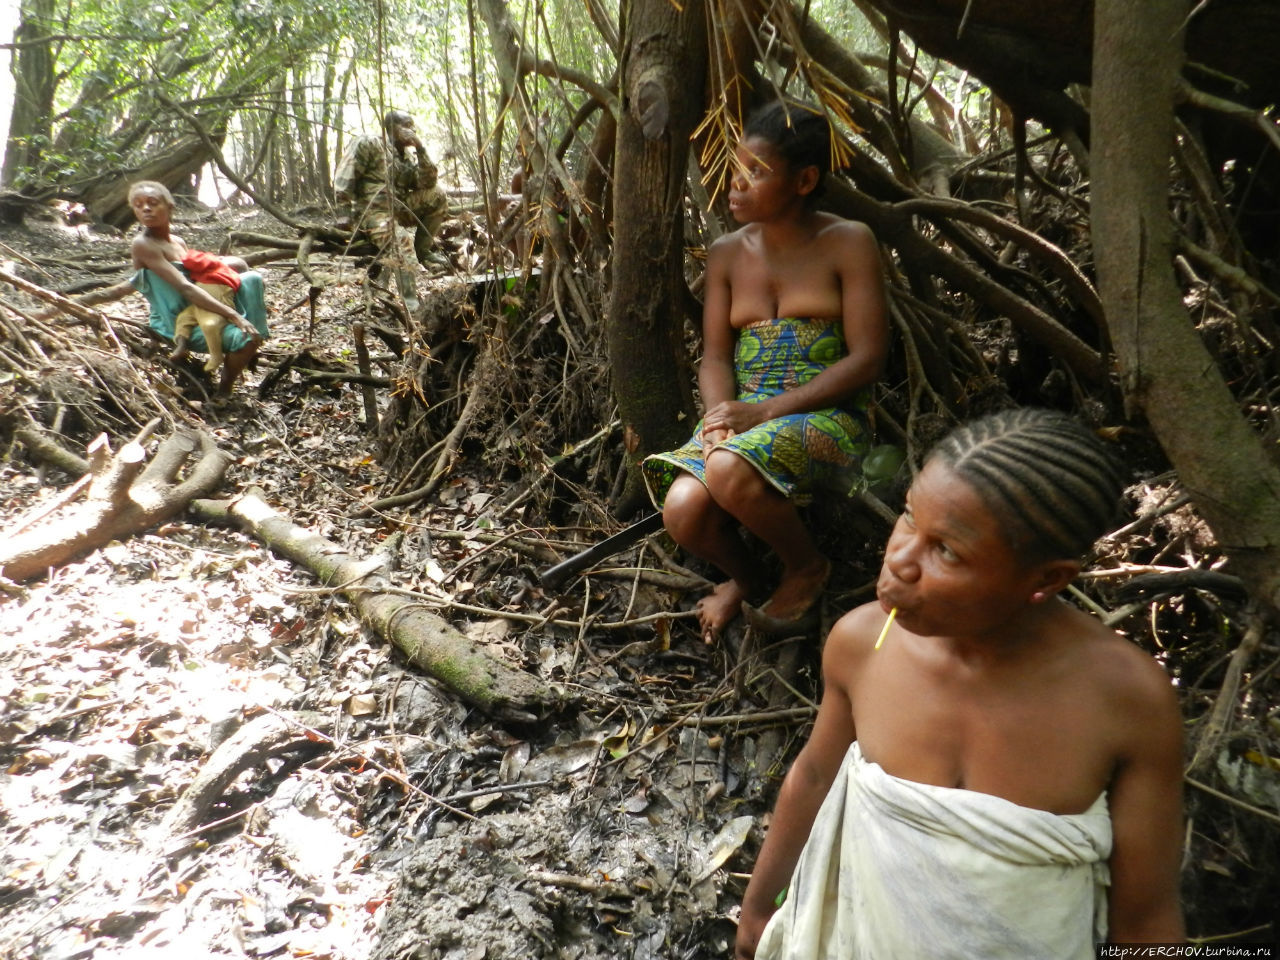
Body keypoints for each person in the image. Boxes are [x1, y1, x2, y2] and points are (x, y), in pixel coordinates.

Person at [735, 409, 1185, 960]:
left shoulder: (1126, 701)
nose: (899, 560)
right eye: (907, 517)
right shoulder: (863, 645)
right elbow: (814, 776)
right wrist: (759, 909)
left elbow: (1145, 919)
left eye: (946, 550)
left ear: (1046, 580)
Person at [642, 101, 889, 643]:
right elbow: (715, 357)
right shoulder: (727, 254)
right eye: (736, 168)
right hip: (743, 420)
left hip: (829, 416)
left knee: (729, 471)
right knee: (681, 512)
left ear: (804, 180)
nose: (736, 184)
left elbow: (868, 358)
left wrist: (765, 411)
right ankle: (750, 580)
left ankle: (806, 567)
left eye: (756, 172)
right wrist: (717, 420)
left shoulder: (849, 242)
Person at [127, 181, 269, 397]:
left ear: (170, 206)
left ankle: (252, 341)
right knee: (245, 338)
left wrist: (232, 264)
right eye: (138, 205)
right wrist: (233, 315)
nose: (145, 208)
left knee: (250, 278)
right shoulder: (143, 245)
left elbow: (196, 273)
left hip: (199, 307)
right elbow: (185, 287)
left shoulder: (177, 241)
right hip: (174, 320)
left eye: (152, 203)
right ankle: (224, 389)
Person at [334, 109, 449, 313]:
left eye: (412, 126)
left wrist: (420, 148)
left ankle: (424, 252)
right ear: (391, 127)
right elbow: (344, 177)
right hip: (372, 213)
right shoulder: (369, 143)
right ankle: (411, 305)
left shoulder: (407, 157)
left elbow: (428, 182)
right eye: (406, 125)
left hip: (400, 209)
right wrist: (344, 215)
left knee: (438, 194)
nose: (411, 130)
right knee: (401, 240)